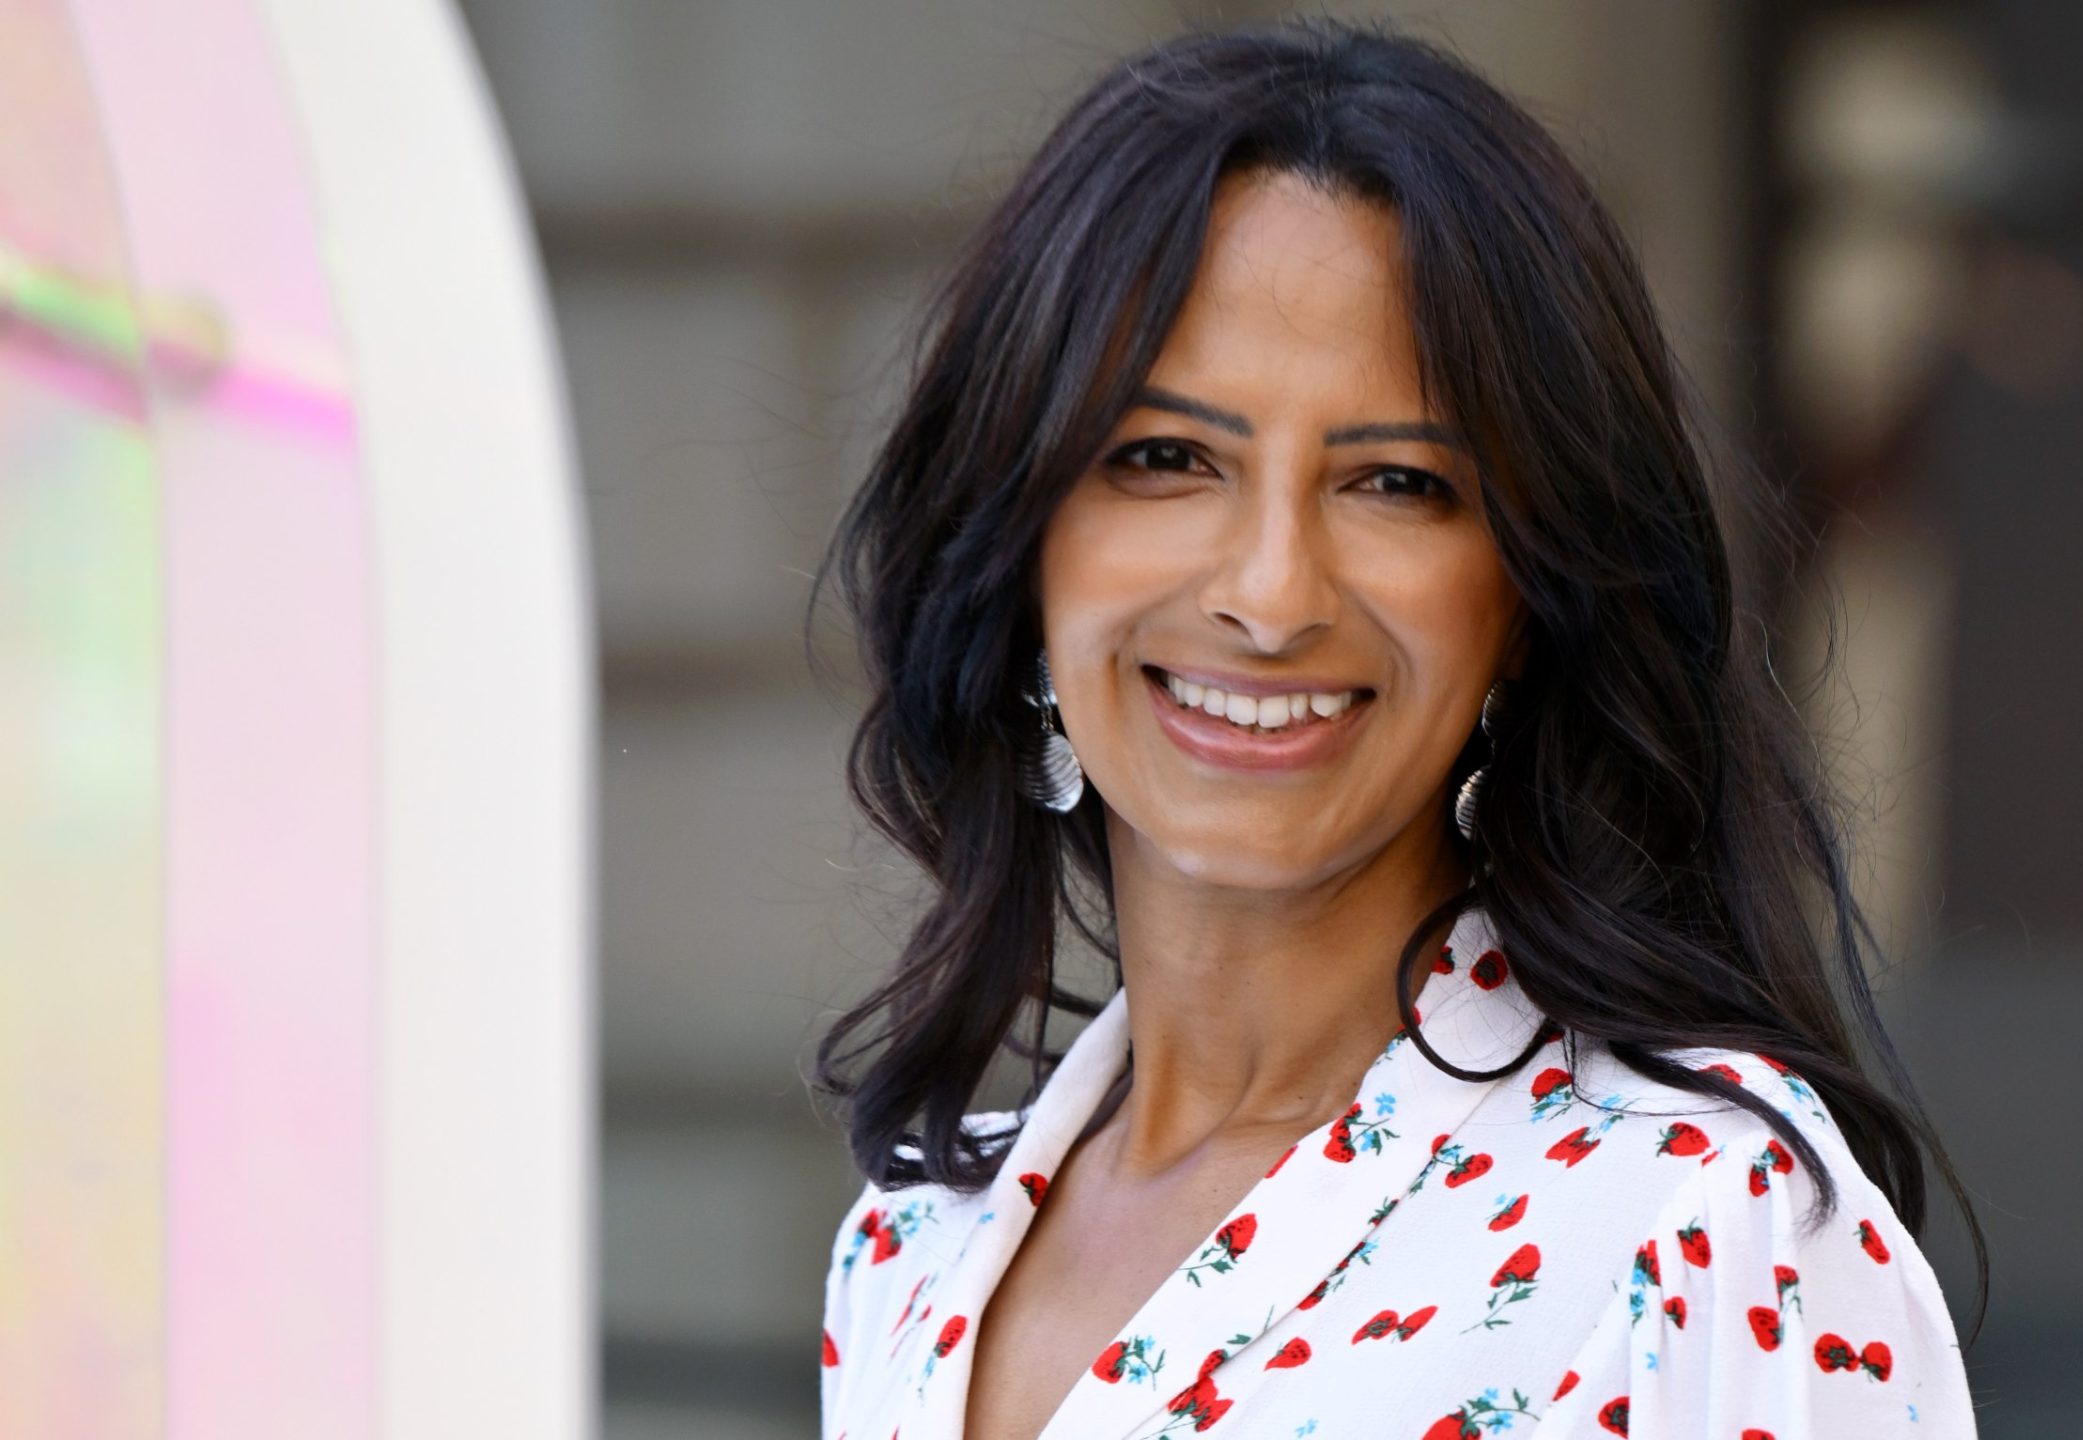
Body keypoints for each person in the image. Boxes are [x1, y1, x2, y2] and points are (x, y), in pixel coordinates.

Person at [804, 20, 1983, 1439]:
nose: (1269, 595)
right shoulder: (912, 1244)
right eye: (1166, 458)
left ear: (1527, 599)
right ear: (1023, 546)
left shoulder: (1708, 1227)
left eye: (1398, 483)